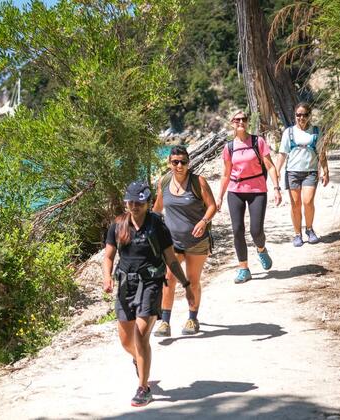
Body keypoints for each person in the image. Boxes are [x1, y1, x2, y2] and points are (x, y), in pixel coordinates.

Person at [102, 181, 194, 407]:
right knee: (126, 341)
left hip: (151, 284)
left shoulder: (157, 226)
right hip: (126, 285)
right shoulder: (118, 226)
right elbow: (108, 257)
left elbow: (171, 259)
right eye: (130, 202)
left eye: (139, 202)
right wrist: (106, 276)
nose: (134, 206)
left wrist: (186, 284)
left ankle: (143, 388)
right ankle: (139, 359)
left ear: (147, 203)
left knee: (141, 335)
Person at [152, 146, 217, 337]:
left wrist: (204, 222)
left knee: (192, 280)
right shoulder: (164, 182)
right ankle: (164, 322)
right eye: (175, 162)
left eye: (183, 162)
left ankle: (192, 318)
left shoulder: (198, 182)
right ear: (169, 163)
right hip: (173, 243)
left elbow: (212, 206)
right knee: (168, 280)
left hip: (197, 243)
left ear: (188, 163)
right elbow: (157, 209)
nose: (179, 166)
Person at [216, 109, 282, 283]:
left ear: (247, 122)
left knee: (256, 230)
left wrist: (276, 188)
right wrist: (220, 197)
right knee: (237, 230)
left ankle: (261, 249)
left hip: (257, 190)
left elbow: (270, 166)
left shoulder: (257, 141)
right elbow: (225, 173)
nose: (240, 122)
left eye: (243, 119)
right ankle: (243, 268)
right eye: (237, 120)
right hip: (235, 190)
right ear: (232, 123)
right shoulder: (229, 147)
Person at [275, 102, 329, 247]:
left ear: (309, 116)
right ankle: (297, 234)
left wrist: (326, 171)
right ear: (295, 116)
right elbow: (282, 153)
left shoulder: (316, 131)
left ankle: (309, 229)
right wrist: (277, 170)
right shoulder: (289, 132)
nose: (301, 118)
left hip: (310, 172)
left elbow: (322, 153)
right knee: (296, 205)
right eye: (298, 115)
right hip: (292, 172)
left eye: (304, 115)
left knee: (307, 201)